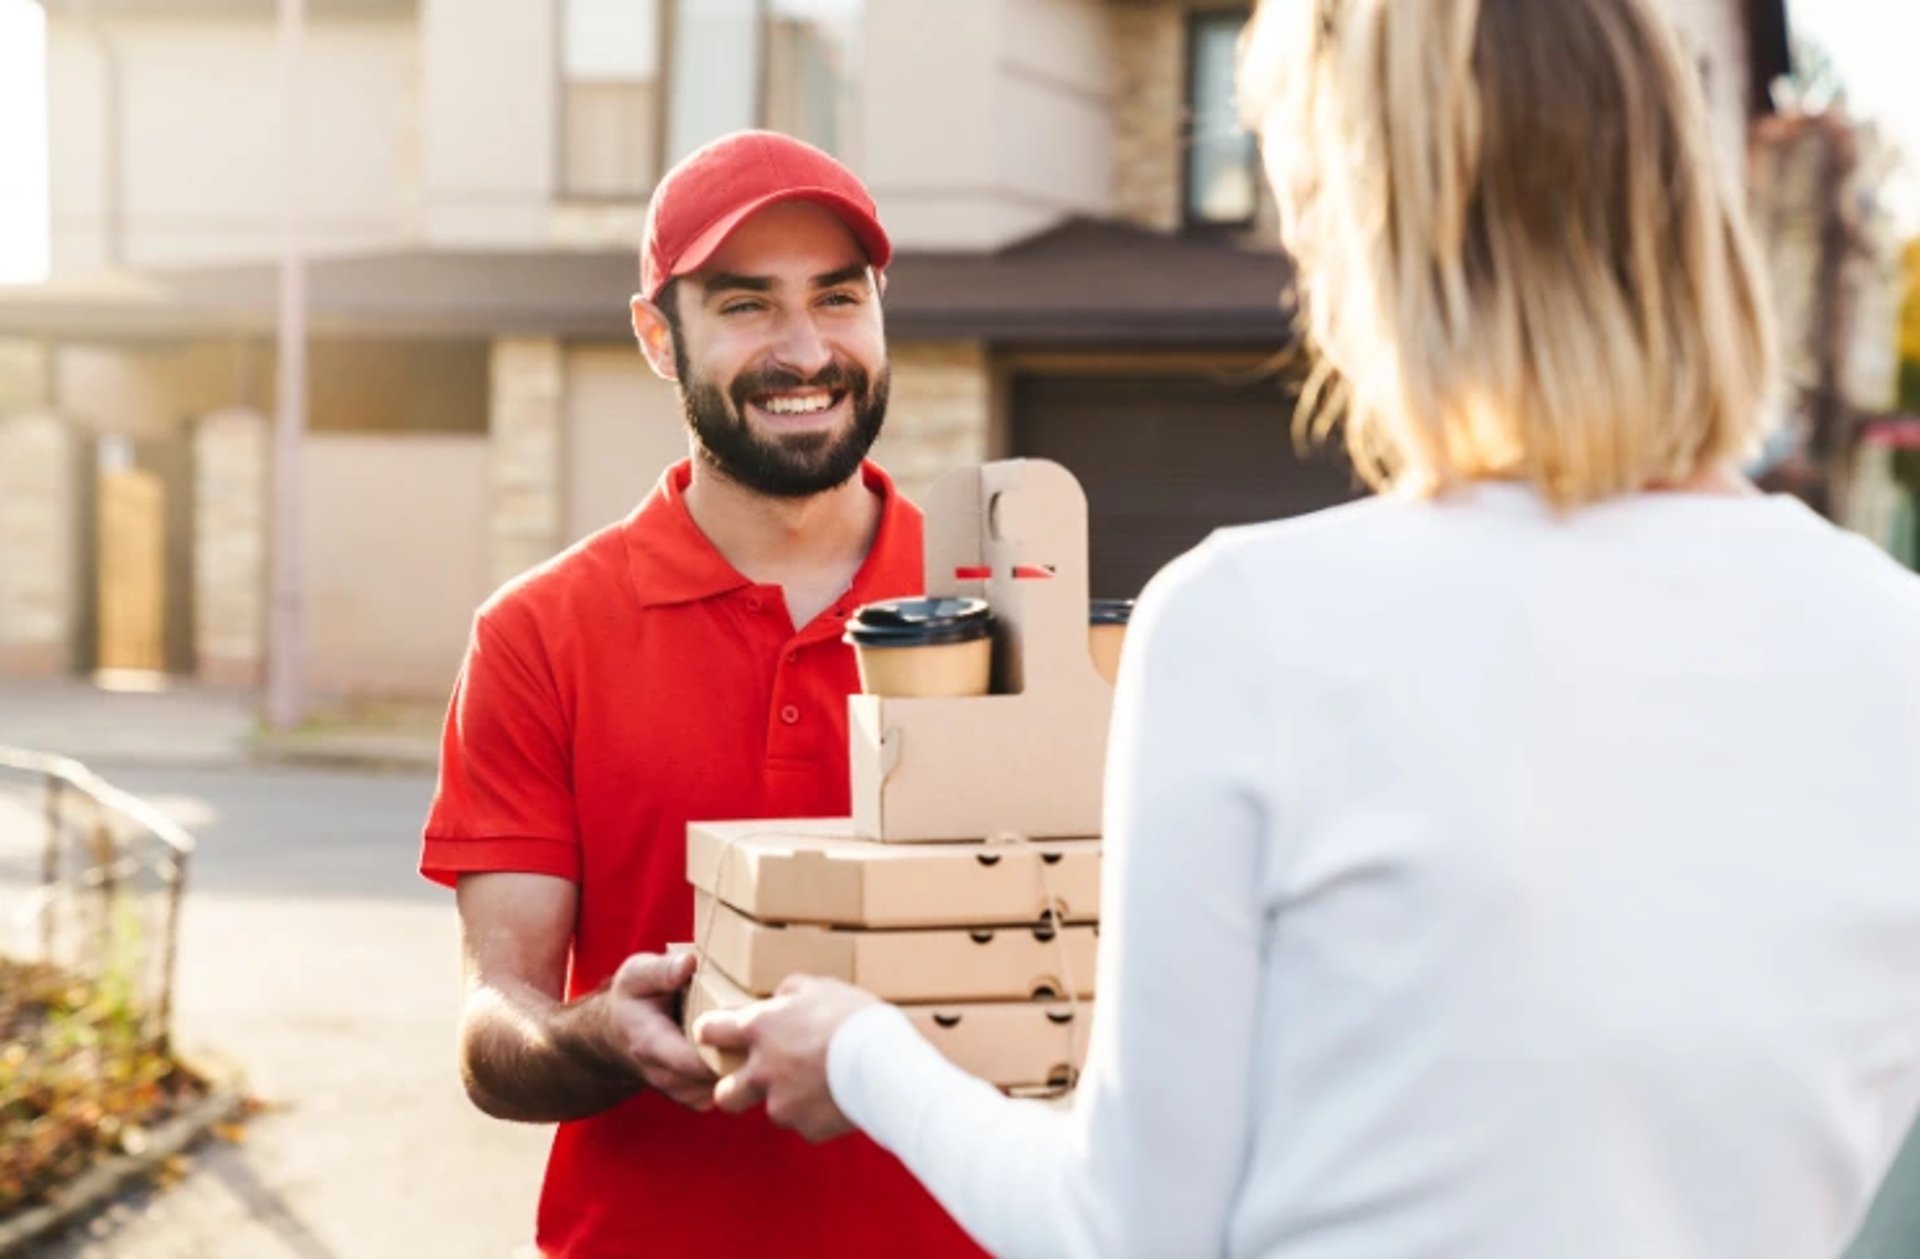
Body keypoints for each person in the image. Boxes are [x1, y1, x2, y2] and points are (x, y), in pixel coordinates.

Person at [696, 2, 1920, 1255]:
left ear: (1367, 219)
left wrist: (860, 1053)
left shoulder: (1252, 625)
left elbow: (1121, 1233)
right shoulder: (1894, 642)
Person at [418, 130, 981, 1257]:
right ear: (657, 337)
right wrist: (601, 1035)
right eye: (744, 306)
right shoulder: (538, 634)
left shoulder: (1002, 602)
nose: (805, 349)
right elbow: (498, 1027)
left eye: (837, 297)